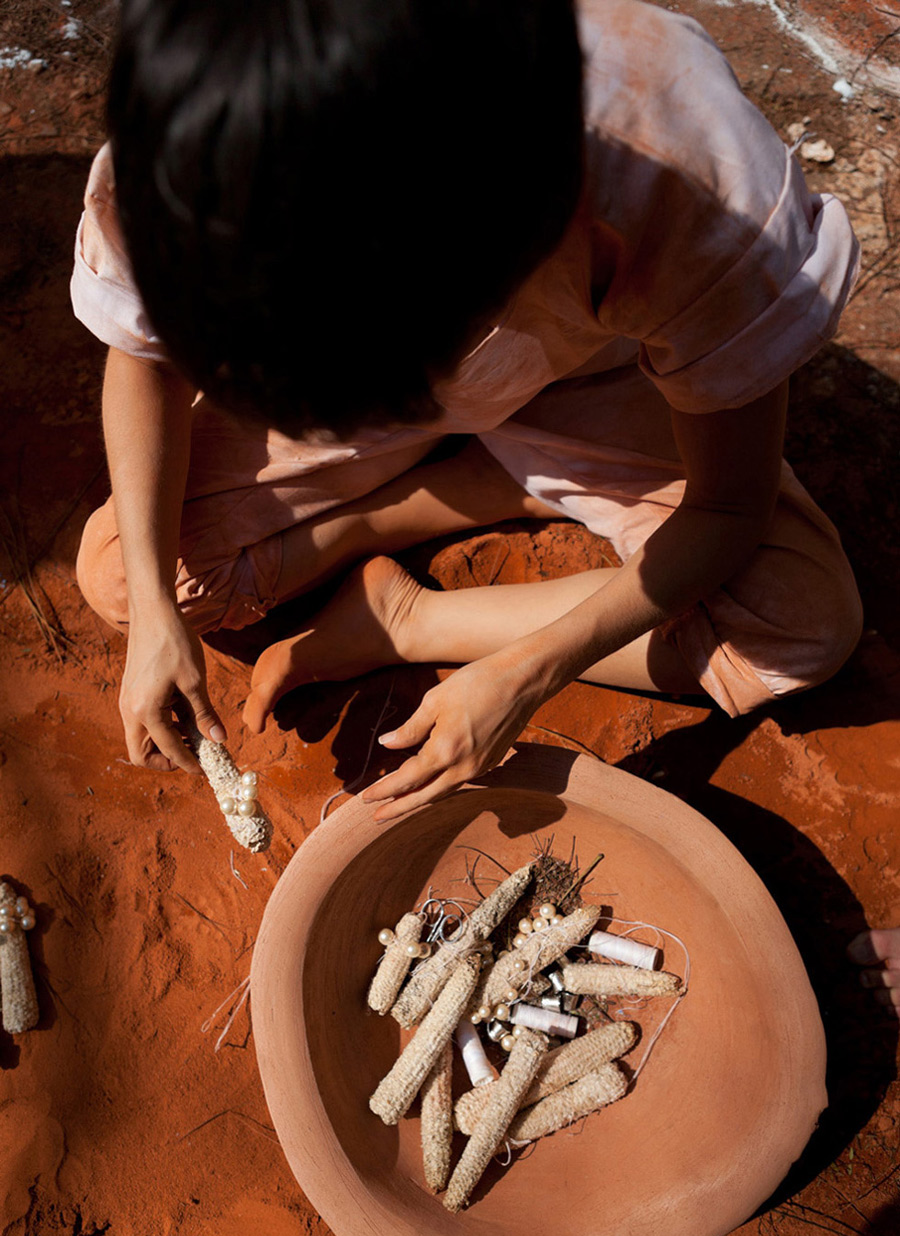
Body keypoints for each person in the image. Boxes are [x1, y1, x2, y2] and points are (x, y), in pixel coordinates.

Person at [73, 4, 865, 823]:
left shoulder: (686, 177)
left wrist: (530, 667)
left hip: (592, 371)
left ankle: (414, 608)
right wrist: (158, 617)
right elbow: (141, 351)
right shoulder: (207, 131)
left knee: (794, 631)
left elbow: (727, 509)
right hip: (386, 367)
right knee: (130, 574)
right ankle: (463, 489)